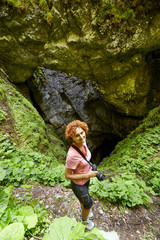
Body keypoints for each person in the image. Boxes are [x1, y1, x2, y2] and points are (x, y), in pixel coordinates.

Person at [65, 120, 98, 231]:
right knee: (88, 204)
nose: (81, 136)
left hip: (86, 180)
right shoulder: (72, 155)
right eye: (77, 135)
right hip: (79, 185)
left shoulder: (83, 143)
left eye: (82, 133)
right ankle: (84, 222)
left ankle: (83, 211)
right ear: (72, 138)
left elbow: (84, 158)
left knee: (84, 202)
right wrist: (87, 174)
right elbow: (67, 176)